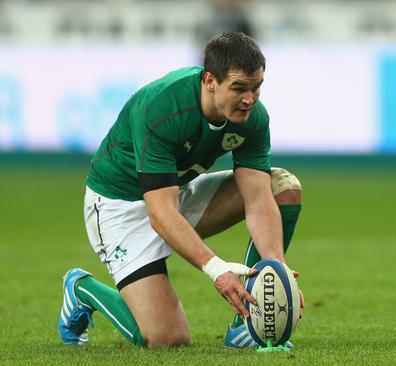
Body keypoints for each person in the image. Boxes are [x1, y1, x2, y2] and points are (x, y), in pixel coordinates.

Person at [57, 32, 304, 348]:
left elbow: (257, 198)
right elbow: (159, 215)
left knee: (281, 186)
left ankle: (246, 326)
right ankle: (81, 288)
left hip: (174, 194)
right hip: (120, 208)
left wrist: (276, 269)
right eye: (239, 88)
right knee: (167, 339)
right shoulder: (164, 107)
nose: (250, 99)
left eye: (256, 88)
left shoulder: (254, 118)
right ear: (210, 80)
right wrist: (217, 270)